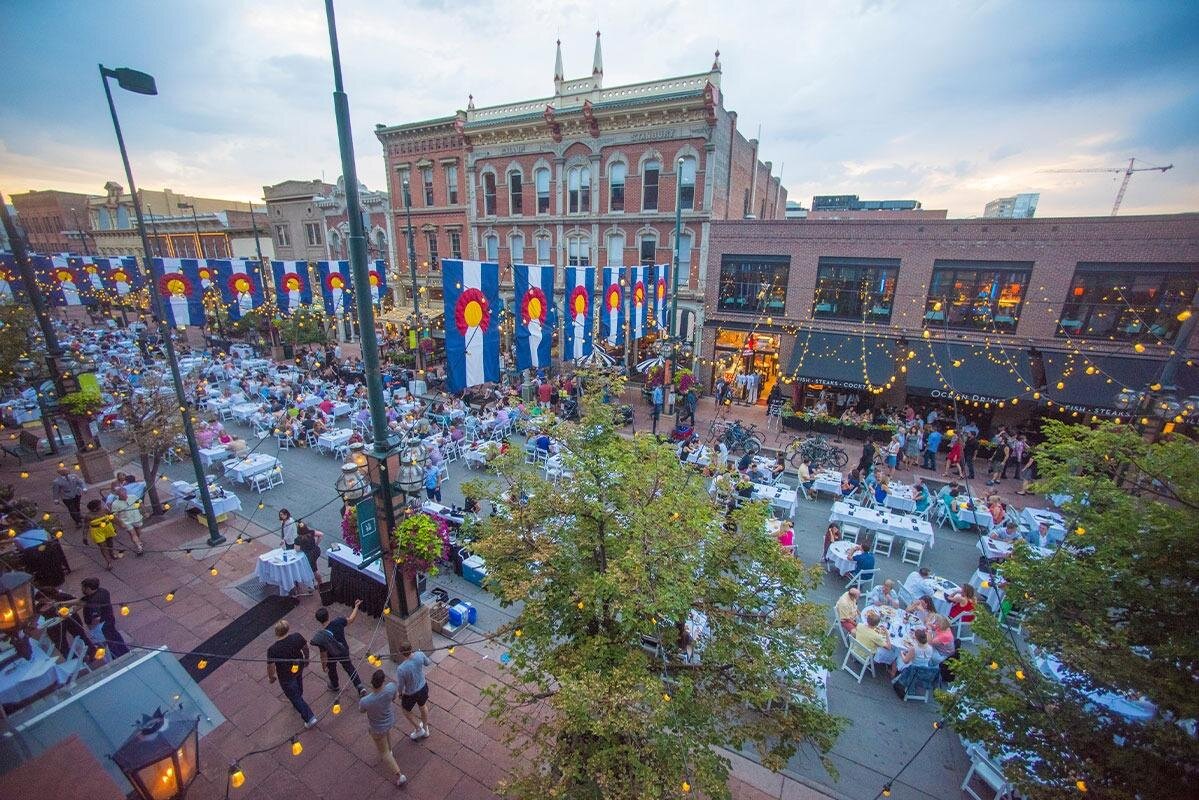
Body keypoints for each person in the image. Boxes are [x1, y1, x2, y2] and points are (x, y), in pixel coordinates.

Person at [358, 669, 409, 786]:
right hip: (389, 720)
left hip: (377, 728)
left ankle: (399, 775)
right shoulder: (391, 687)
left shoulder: (366, 701)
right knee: (387, 734)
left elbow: (361, 710)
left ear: (372, 683)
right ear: (383, 681)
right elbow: (394, 697)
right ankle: (390, 751)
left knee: (384, 752)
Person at [266, 619, 317, 728]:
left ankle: (309, 717)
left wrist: (271, 677)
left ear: (276, 632)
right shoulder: (297, 637)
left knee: (294, 696)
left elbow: (271, 666)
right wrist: (306, 659)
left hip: (285, 674)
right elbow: (305, 648)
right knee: (298, 680)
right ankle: (299, 695)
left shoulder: (273, 649)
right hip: (298, 666)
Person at [312, 602, 366, 696]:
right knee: (349, 667)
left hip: (331, 654)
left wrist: (324, 666)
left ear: (318, 620)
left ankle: (335, 685)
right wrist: (356, 607)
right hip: (343, 650)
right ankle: (359, 687)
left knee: (331, 669)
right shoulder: (338, 621)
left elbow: (323, 655)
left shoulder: (322, 636)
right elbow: (351, 619)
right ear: (328, 615)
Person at [80, 577, 130, 657]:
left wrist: (91, 627)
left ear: (88, 588)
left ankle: (118, 657)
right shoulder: (103, 591)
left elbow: (96, 618)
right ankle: (125, 652)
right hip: (109, 619)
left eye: (83, 587)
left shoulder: (94, 602)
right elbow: (81, 601)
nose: (82, 589)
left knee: (109, 644)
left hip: (102, 626)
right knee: (116, 637)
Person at [396, 647, 433, 740]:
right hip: (423, 687)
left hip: (410, 693)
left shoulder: (401, 668)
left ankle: (418, 729)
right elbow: (428, 663)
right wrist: (421, 654)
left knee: (405, 710)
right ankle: (425, 728)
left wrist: (400, 693)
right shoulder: (419, 654)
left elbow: (401, 685)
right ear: (411, 648)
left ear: (401, 653)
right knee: (423, 706)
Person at [108, 485, 145, 556]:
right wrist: (120, 523)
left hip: (136, 518)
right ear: (118, 495)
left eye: (124, 493)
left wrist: (145, 512)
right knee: (132, 534)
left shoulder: (133, 497)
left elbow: (140, 503)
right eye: (121, 495)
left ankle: (138, 541)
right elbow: (114, 516)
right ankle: (139, 547)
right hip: (126, 521)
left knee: (138, 532)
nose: (124, 496)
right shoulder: (115, 504)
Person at [85, 499, 118, 570]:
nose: (101, 506)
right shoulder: (88, 516)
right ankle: (108, 562)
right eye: (99, 505)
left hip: (107, 528)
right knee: (103, 547)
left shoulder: (105, 510)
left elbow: (111, 518)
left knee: (110, 543)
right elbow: (86, 527)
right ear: (94, 508)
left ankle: (111, 553)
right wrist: (84, 537)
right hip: (97, 531)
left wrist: (114, 527)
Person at [52, 466, 87, 532]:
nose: (66, 472)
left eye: (67, 470)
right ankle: (78, 521)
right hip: (67, 497)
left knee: (77, 506)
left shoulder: (74, 476)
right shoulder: (57, 481)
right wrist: (56, 499)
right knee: (72, 509)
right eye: (64, 471)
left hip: (77, 494)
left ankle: (79, 515)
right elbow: (55, 491)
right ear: (60, 473)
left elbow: (80, 482)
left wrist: (84, 488)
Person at [295, 522, 323, 586]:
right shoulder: (311, 532)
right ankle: (318, 582)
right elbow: (321, 534)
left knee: (313, 569)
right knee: (313, 567)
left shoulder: (298, 539)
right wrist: (316, 544)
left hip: (309, 555)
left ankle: (318, 583)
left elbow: (297, 549)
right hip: (316, 551)